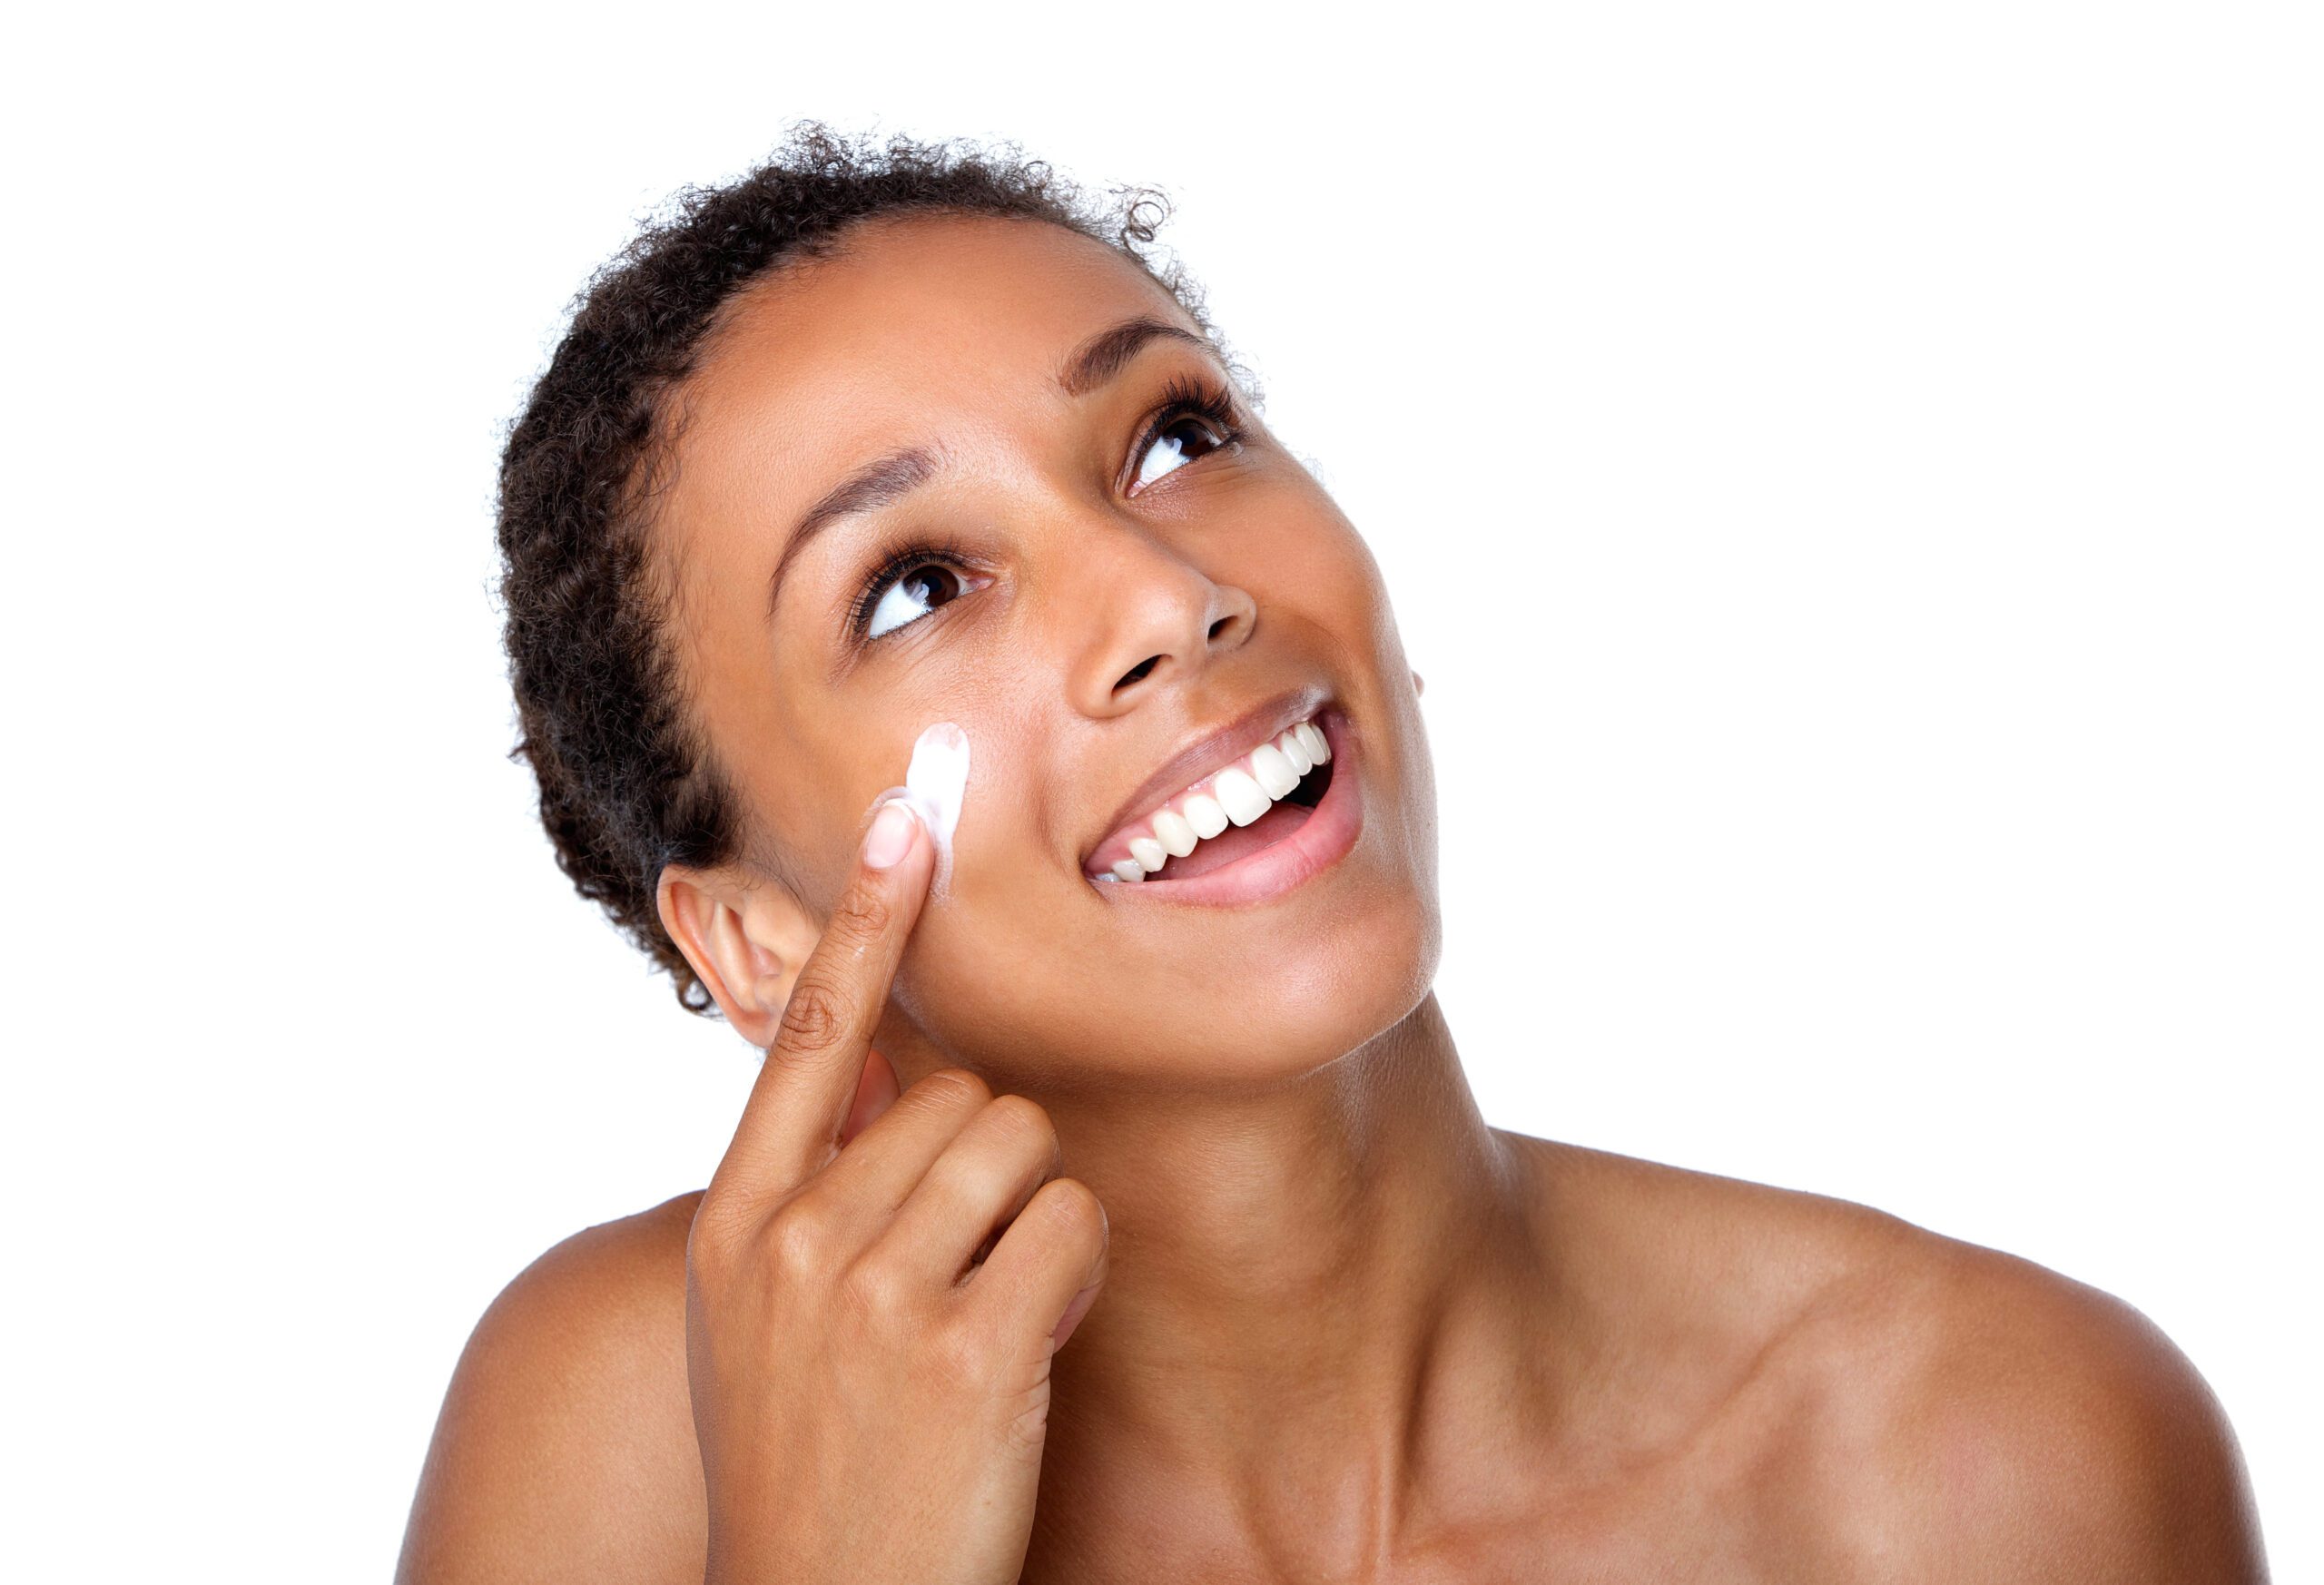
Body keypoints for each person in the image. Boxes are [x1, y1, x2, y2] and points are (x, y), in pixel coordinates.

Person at [396, 123, 2268, 1582]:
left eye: (1173, 437)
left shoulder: (1991, 1465)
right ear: (755, 940)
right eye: (911, 589)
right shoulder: (637, 1431)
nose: (1166, 590)